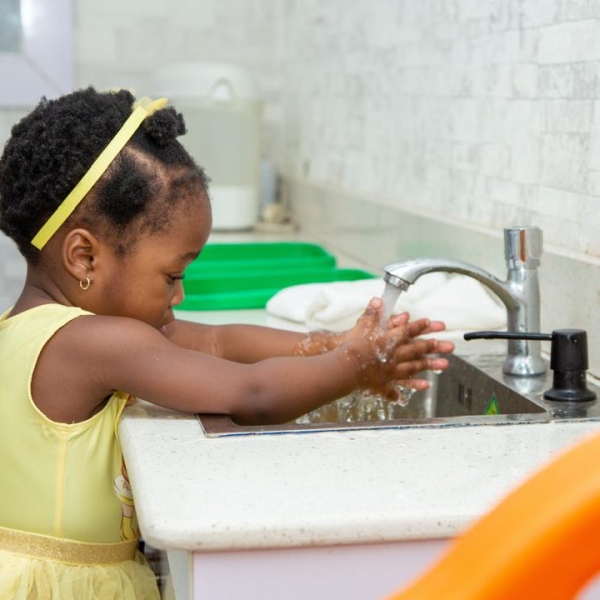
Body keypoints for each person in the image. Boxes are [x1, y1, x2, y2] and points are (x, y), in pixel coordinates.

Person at [0, 87, 454, 599]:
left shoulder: (32, 329)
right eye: (172, 275)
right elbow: (252, 393)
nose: (180, 295)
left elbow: (218, 342)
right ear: (84, 257)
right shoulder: (95, 343)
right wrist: (354, 364)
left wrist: (327, 343)